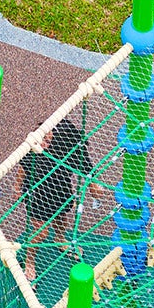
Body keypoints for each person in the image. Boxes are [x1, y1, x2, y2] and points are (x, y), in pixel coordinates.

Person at [14, 116, 91, 279]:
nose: (43, 144)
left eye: (48, 141)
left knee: (62, 218)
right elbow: (23, 168)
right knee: (41, 233)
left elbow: (83, 162)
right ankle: (29, 262)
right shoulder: (32, 149)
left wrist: (93, 185)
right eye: (43, 138)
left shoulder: (65, 149)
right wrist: (17, 188)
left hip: (60, 191)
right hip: (38, 196)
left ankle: (60, 239)